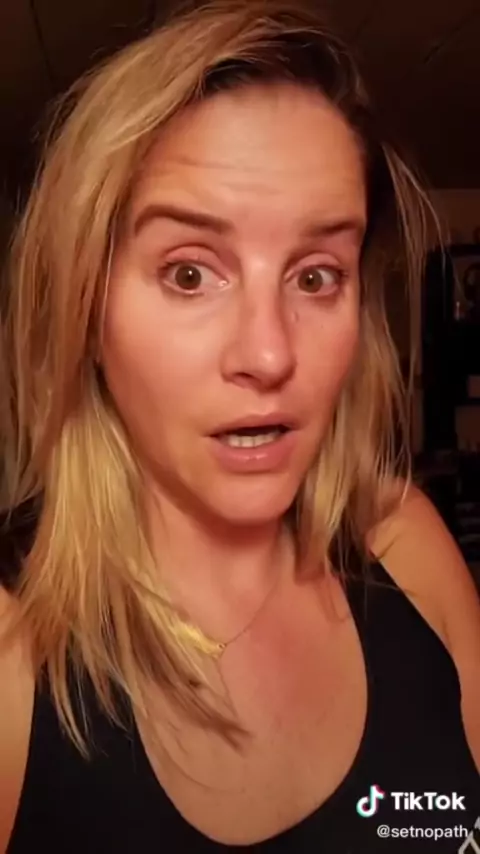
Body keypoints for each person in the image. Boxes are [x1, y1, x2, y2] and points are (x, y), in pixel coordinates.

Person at [0, 1, 479, 851]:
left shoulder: (408, 548)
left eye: (316, 276)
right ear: (85, 311)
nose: (269, 354)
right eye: (190, 274)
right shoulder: (10, 655)